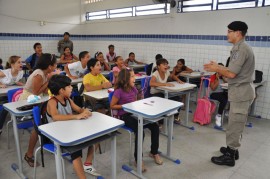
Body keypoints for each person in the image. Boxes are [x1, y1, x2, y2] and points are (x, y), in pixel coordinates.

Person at [204, 21, 255, 167]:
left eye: (229, 31)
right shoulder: (239, 48)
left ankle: (230, 156)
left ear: (237, 33)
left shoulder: (241, 49)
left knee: (234, 125)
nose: (227, 34)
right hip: (241, 92)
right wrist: (218, 67)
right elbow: (232, 69)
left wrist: (216, 68)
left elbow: (231, 74)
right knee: (236, 123)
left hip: (241, 93)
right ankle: (233, 149)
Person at [47, 75, 100, 178]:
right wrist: (77, 116)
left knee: (96, 137)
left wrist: (84, 111)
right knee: (75, 150)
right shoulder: (52, 102)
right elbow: (55, 117)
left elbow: (79, 109)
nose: (72, 88)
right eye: (69, 86)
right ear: (62, 90)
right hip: (57, 136)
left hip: (69, 132)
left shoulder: (67, 99)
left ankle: (87, 164)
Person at [110, 69, 163, 172]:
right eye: (132, 76)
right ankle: (138, 159)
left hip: (135, 113)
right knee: (140, 132)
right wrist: (125, 106)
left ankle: (154, 152)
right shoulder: (118, 91)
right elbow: (112, 106)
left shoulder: (133, 89)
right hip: (124, 115)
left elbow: (135, 102)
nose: (135, 78)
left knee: (155, 126)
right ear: (125, 79)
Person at [21, 53, 57, 167]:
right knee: (38, 127)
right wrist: (49, 80)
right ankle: (29, 154)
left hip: (37, 99)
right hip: (28, 100)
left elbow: (44, 91)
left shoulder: (45, 73)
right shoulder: (39, 74)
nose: (56, 65)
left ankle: (51, 142)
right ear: (50, 66)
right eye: (55, 64)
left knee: (50, 117)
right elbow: (36, 92)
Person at [0, 56, 24, 134]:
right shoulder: (5, 73)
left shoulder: (21, 73)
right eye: (19, 62)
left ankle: (20, 117)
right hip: (2, 94)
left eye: (21, 62)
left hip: (8, 93)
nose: (21, 64)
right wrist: (0, 84)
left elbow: (12, 80)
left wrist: (16, 83)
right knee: (5, 105)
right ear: (12, 65)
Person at [209, 63, 228, 127]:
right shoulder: (213, 77)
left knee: (231, 97)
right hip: (213, 94)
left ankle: (228, 112)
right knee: (223, 100)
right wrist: (217, 79)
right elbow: (213, 88)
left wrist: (223, 78)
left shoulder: (223, 76)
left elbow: (227, 84)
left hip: (222, 93)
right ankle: (219, 115)